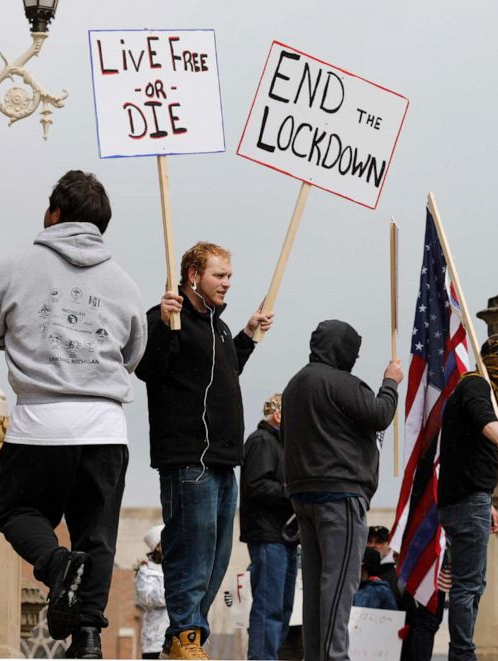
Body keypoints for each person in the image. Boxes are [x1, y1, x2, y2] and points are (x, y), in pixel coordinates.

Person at [0, 170, 146, 658]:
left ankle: (55, 563)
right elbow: (133, 352)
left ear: (54, 214)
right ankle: (88, 636)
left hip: (41, 422)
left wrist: (19, 339)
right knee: (98, 535)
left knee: (17, 511)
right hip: (105, 426)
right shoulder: (123, 281)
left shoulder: (16, 266)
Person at [135, 242, 273, 660]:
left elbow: (225, 369)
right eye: (219, 275)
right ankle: (185, 634)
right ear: (193, 275)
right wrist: (161, 323)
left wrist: (248, 335)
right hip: (187, 458)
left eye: (229, 276)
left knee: (215, 557)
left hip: (222, 460)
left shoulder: (218, 327)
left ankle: (188, 635)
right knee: (189, 552)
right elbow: (147, 368)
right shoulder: (167, 318)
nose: (227, 284)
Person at [282, 319, 402, 661]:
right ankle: (335, 656)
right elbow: (379, 415)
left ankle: (315, 656)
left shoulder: (294, 385)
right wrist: (390, 383)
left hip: (303, 494)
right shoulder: (341, 382)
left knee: (318, 586)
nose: (355, 357)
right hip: (341, 494)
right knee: (339, 584)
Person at [437, 334, 498, 661]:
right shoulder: (475, 386)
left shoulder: (483, 390)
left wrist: (489, 502)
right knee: (468, 586)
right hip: (465, 502)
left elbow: (471, 455)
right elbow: (484, 420)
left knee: (474, 585)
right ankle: (462, 654)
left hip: (474, 500)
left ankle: (462, 650)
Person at [240, 394, 298, 661]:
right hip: (267, 535)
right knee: (269, 607)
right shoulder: (261, 441)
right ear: (277, 415)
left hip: (282, 536)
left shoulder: (280, 445)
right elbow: (258, 485)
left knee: (283, 609)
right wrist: (293, 492)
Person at [137, 525, 170, 660]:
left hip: (177, 640)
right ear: (157, 546)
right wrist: (173, 591)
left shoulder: (179, 568)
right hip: (155, 642)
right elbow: (147, 598)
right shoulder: (146, 570)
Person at [367, 525, 402, 606]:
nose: (373, 545)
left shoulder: (398, 574)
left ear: (390, 546)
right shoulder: (356, 572)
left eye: (379, 542)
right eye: (369, 541)